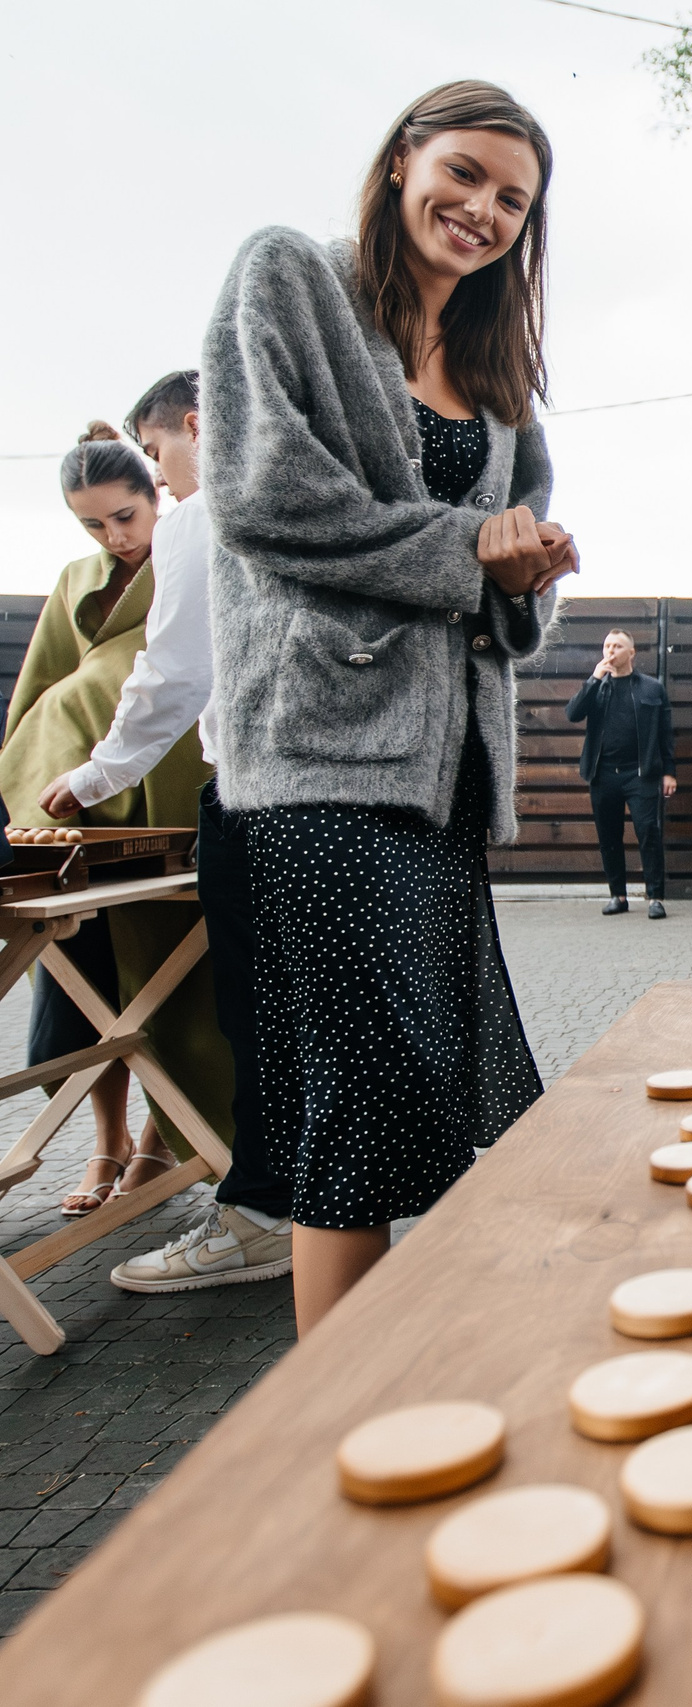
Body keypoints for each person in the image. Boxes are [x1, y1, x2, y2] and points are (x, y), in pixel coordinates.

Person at [198, 79, 576, 1333]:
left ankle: (406, 1374)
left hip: (447, 776)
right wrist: (470, 552)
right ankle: (330, 1417)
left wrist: (523, 576)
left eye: (511, 200)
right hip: (319, 758)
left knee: (436, 1089)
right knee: (365, 1096)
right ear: (404, 156)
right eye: (464, 173)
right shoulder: (292, 281)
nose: (481, 210)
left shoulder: (501, 385)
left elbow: (510, 595)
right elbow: (263, 499)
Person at [23, 375, 297, 1291]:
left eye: (160, 462)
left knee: (252, 1015)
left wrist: (97, 775)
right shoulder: (305, 495)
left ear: (190, 427)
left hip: (236, 793)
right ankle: (302, 1201)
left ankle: (263, 1213)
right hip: (324, 791)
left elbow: (173, 675)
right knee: (298, 1013)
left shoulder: (199, 518)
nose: (166, 480)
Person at [0, 424, 228, 1217]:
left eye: (126, 515)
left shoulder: (196, 555)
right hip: (77, 813)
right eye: (94, 525)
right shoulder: (75, 582)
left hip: (166, 799)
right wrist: (38, 777)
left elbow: (186, 677)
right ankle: (108, 1135)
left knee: (172, 974)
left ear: (157, 492)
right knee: (81, 968)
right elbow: (38, 693)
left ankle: (169, 1136)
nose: (115, 536)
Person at [565, 628, 675, 918]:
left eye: (617, 646)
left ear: (631, 652)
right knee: (608, 836)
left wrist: (669, 772)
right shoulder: (597, 686)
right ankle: (618, 896)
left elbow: (665, 735)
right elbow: (573, 714)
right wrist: (593, 679)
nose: (610, 651)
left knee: (648, 833)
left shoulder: (652, 688)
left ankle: (655, 897)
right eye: (607, 646)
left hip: (641, 774)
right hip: (603, 774)